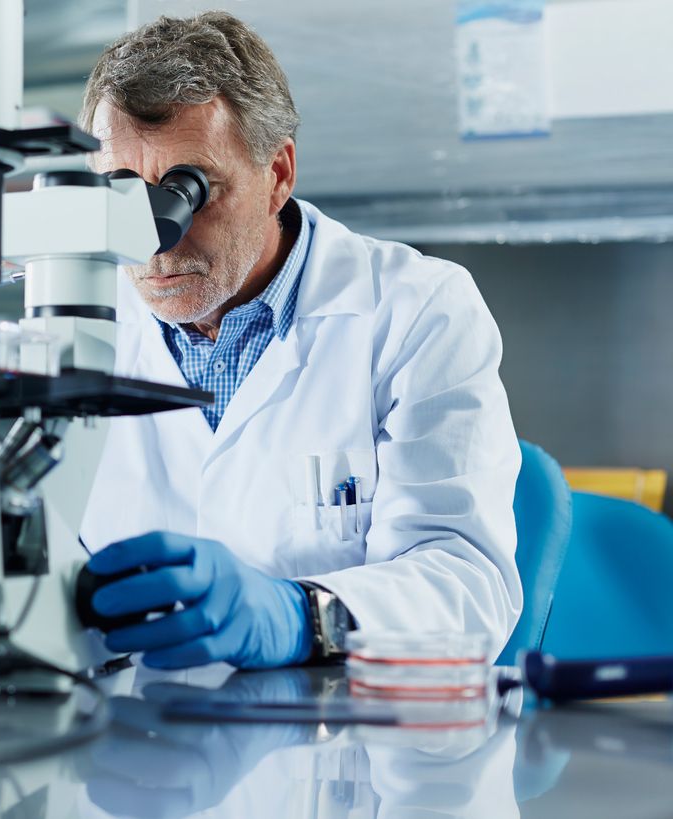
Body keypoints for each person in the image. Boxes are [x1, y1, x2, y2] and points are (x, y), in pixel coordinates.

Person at [78, 11, 522, 669]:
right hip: (130, 739)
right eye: (125, 192)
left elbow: (468, 588)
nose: (155, 238)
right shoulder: (75, 315)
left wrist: (302, 616)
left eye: (188, 190)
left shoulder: (418, 311)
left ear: (278, 174)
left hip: (338, 744)